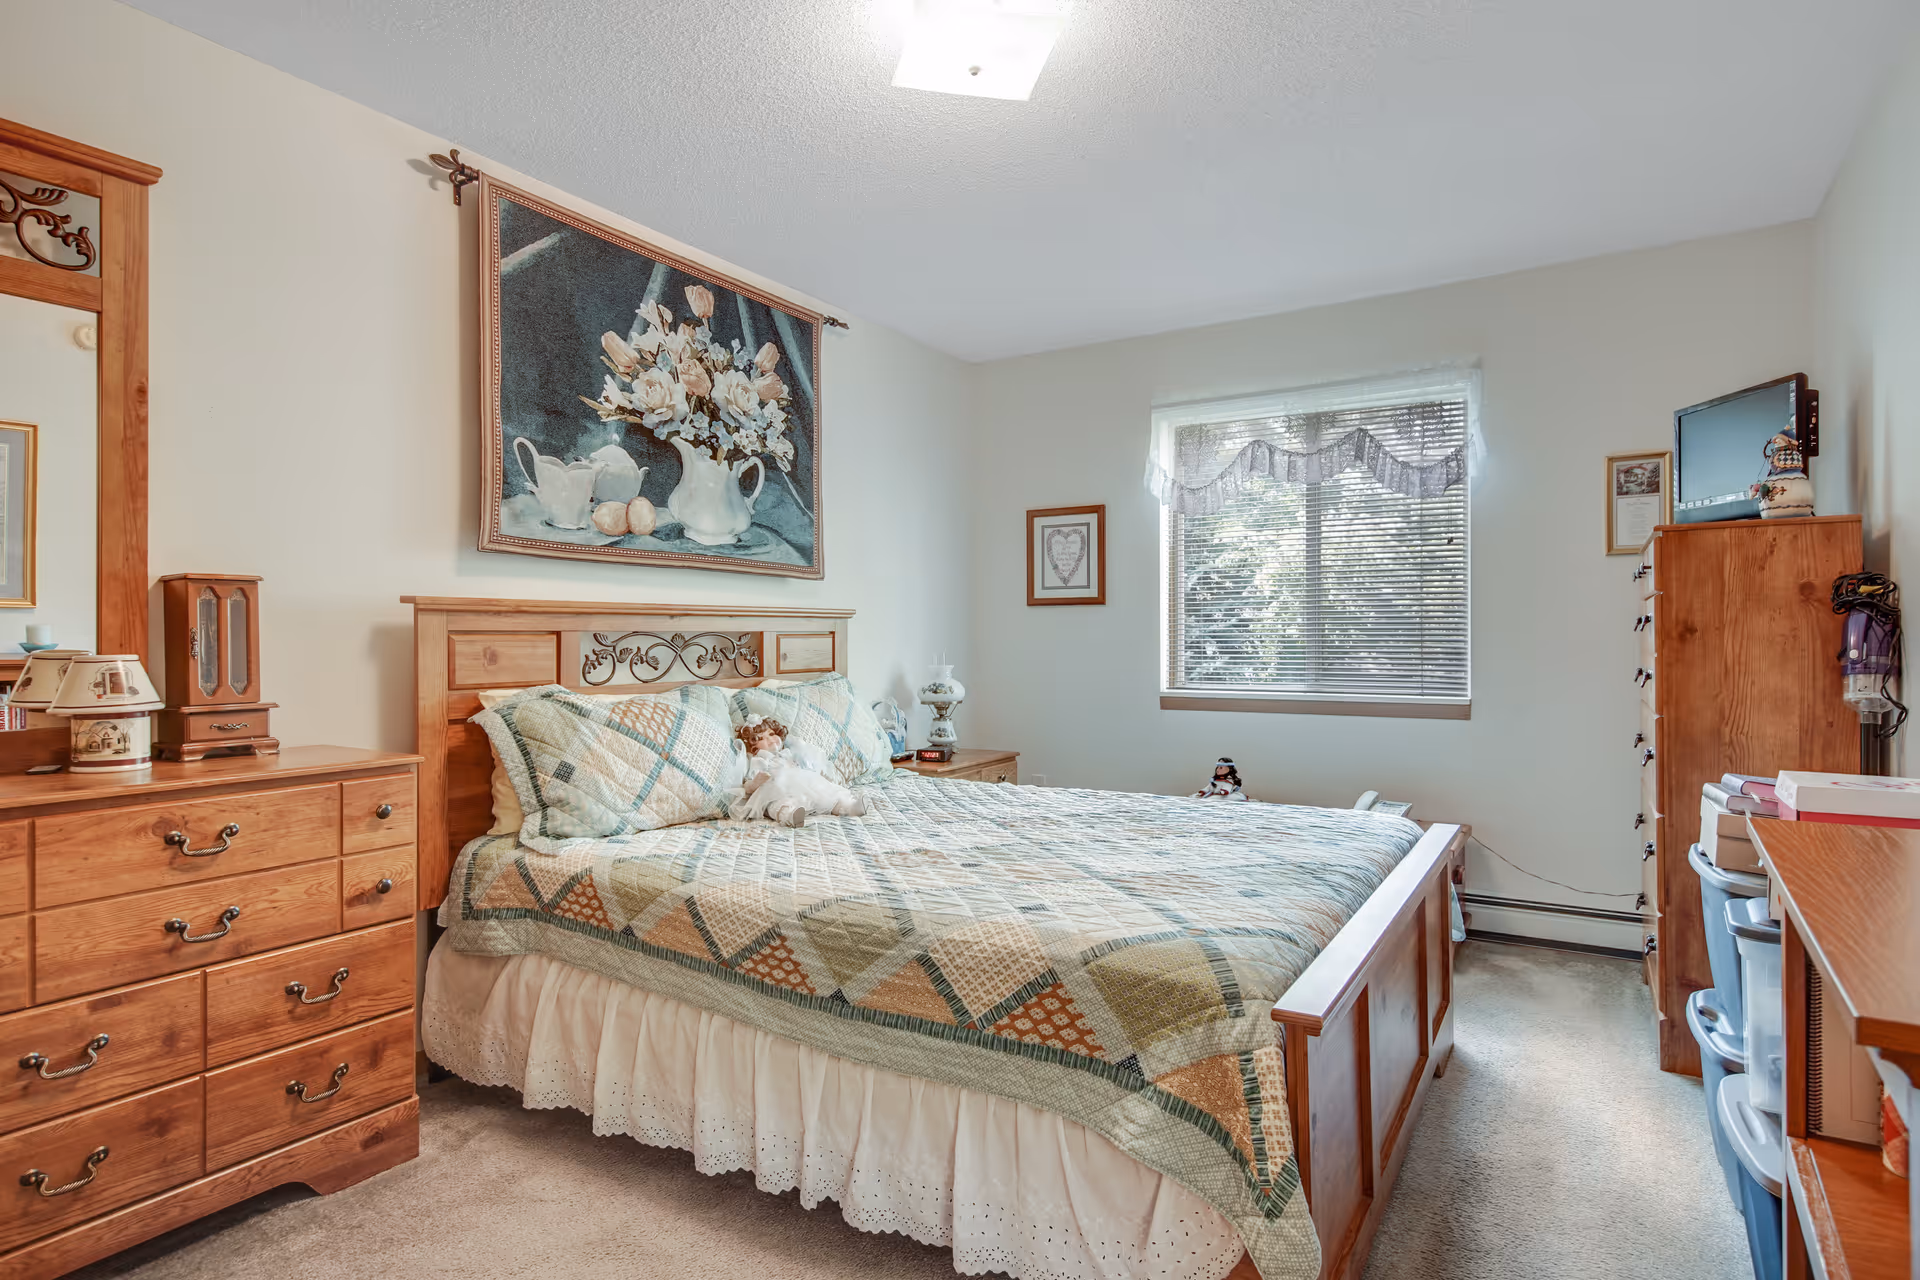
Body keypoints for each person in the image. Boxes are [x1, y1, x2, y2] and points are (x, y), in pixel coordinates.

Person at [729, 714, 869, 827]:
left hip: (803, 784)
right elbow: (747, 784)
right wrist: (755, 783)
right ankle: (790, 816)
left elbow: (805, 768)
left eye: (771, 734)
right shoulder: (759, 760)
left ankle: (849, 807)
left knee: (827, 792)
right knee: (776, 804)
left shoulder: (789, 753)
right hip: (775, 790)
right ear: (752, 746)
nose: (770, 739)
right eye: (761, 738)